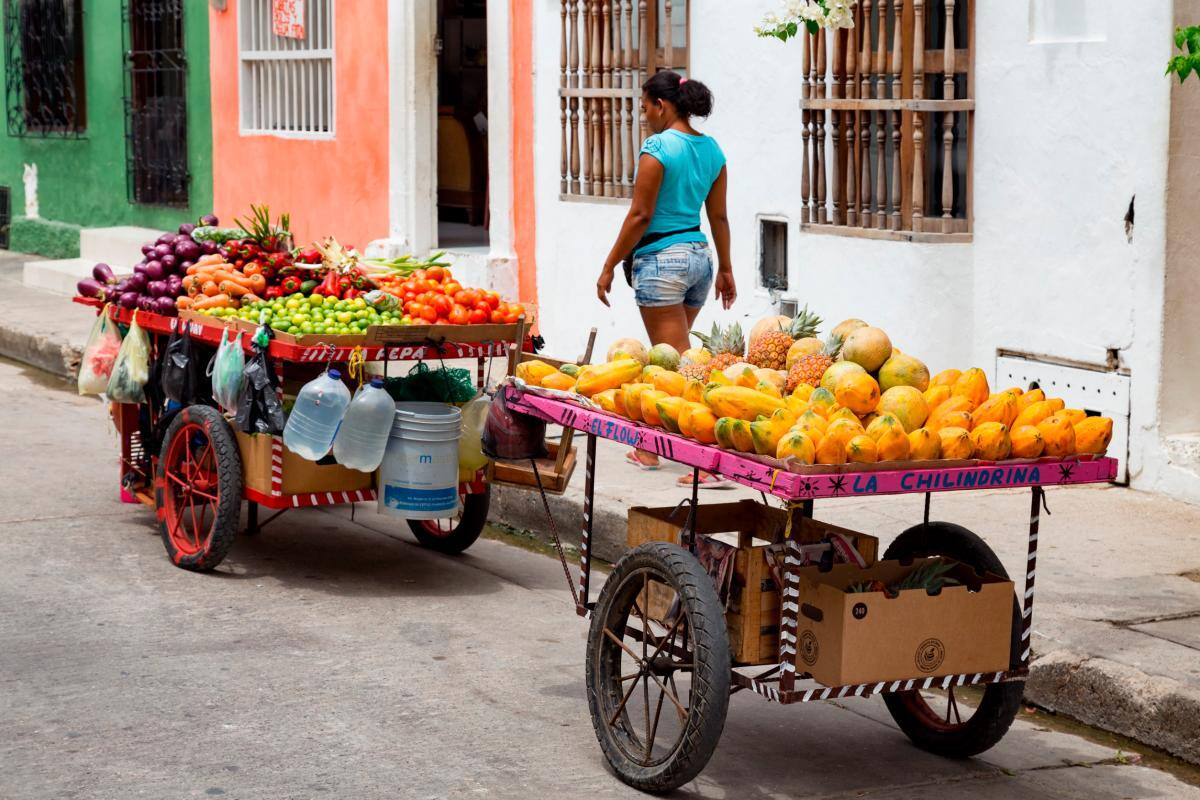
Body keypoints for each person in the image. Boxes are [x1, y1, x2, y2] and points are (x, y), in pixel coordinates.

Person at [596, 70, 736, 487]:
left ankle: (708, 461)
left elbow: (640, 216)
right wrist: (726, 270)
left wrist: (607, 266)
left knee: (682, 366)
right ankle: (650, 447)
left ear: (662, 105)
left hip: (662, 261)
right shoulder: (712, 150)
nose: (644, 117)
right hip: (699, 260)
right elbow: (719, 217)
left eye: (645, 109)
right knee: (670, 360)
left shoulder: (657, 148)